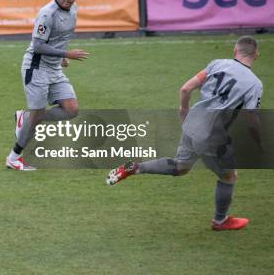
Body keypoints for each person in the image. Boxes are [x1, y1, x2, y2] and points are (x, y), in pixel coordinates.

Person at [106, 36, 263, 231]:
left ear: (234, 51)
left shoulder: (217, 64)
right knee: (228, 177)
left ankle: (135, 167)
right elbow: (251, 117)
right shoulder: (254, 84)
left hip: (193, 123)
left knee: (180, 166)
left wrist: (183, 109)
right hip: (213, 135)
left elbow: (186, 88)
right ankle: (220, 221)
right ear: (256, 55)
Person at [6, 0, 89, 170]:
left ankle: (26, 117)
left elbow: (59, 39)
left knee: (71, 110)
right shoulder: (47, 13)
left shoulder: (73, 10)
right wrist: (66, 54)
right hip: (36, 68)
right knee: (37, 116)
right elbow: (38, 45)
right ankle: (13, 158)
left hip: (54, 68)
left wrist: (60, 58)